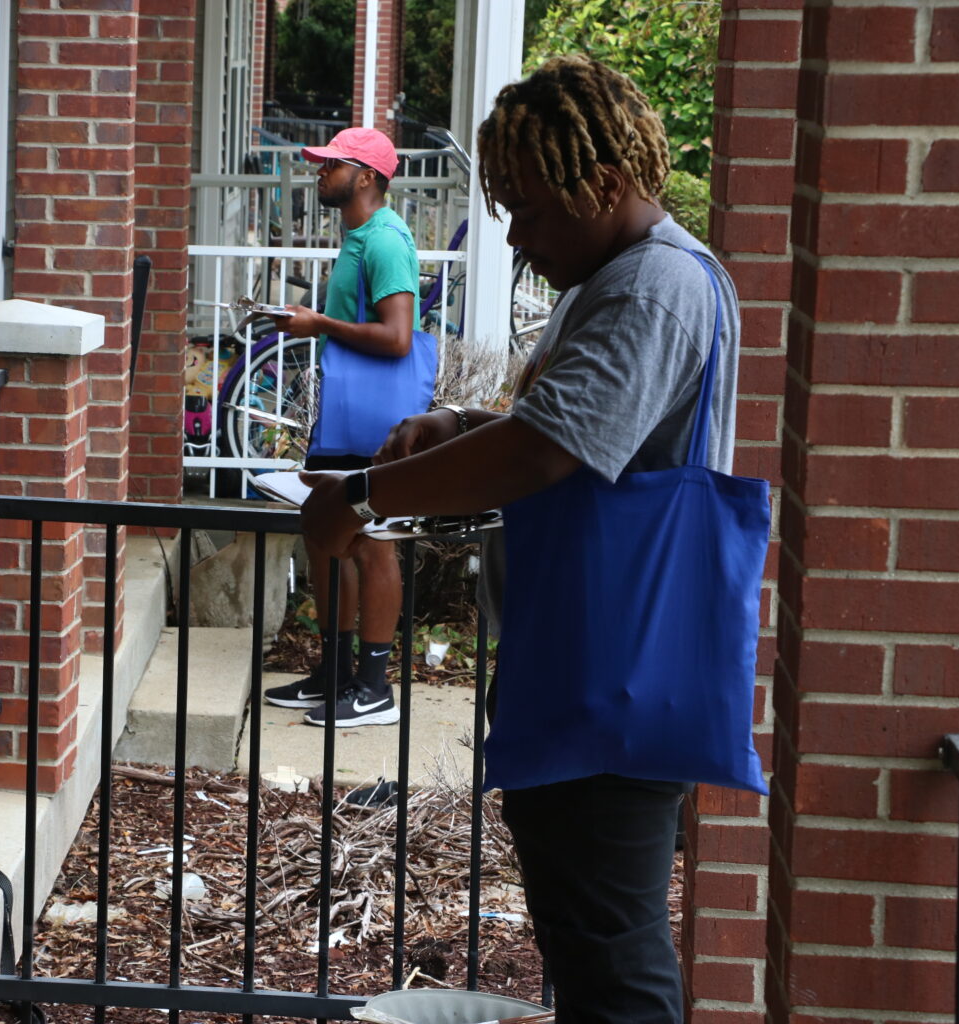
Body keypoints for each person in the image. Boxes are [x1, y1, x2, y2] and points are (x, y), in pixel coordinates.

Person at [298, 56, 743, 1023]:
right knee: (587, 942)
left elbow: (546, 452)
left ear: (608, 185)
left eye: (534, 210)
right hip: (582, 657)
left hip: (619, 672)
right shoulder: (612, 280)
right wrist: (457, 425)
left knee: (613, 957)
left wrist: (363, 497)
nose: (521, 238)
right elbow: (549, 423)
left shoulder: (654, 290)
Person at [260, 126, 424, 728]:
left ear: (368, 177)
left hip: (377, 426)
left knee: (372, 541)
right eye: (321, 163)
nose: (319, 172)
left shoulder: (384, 240)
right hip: (349, 417)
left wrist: (318, 323)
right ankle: (336, 674)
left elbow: (398, 337)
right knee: (326, 533)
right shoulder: (361, 235)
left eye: (332, 164)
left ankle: (374, 689)